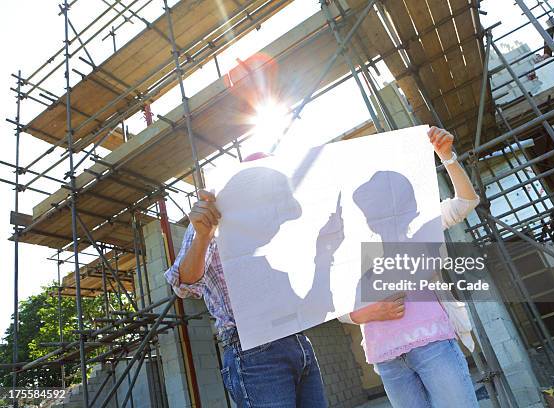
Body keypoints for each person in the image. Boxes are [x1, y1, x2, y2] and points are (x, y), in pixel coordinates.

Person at [164, 153, 330, 408]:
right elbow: (184, 284)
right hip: (255, 351)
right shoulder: (214, 222)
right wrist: (203, 237)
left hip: (297, 339)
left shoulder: (280, 231)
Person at [338, 126, 481, 408]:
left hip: (433, 345)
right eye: (368, 206)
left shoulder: (421, 229)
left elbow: (465, 202)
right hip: (387, 359)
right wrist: (363, 313)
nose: (373, 213)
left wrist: (447, 157)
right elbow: (339, 305)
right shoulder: (351, 248)